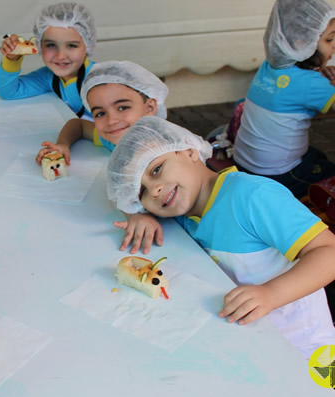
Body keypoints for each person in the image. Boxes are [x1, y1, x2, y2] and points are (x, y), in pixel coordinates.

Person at [107, 116, 335, 359]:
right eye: (141, 192)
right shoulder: (182, 209)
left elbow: (328, 252)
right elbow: (117, 193)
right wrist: (137, 216)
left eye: (156, 170)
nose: (154, 190)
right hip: (248, 344)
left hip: (305, 347)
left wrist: (271, 293)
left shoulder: (252, 197)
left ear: (189, 150)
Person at [36, 60, 169, 254]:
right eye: (99, 113)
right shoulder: (117, 138)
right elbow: (78, 125)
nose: (112, 120)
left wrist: (135, 214)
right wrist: (63, 144)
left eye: (122, 107)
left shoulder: (165, 155)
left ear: (150, 107)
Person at [233, 0, 335, 198]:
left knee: (317, 156)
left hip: (243, 163)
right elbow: (308, 86)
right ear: (302, 43)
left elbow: (296, 84)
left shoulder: (269, 66)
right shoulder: (310, 84)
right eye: (329, 40)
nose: (334, 47)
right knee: (329, 171)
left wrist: (321, 75)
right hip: (278, 176)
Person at [0, 2, 96, 119]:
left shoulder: (98, 80)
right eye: (51, 45)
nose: (60, 56)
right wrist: (12, 59)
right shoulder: (49, 77)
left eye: (72, 46)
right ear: (39, 45)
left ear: (87, 46)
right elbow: (10, 92)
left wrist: (75, 132)